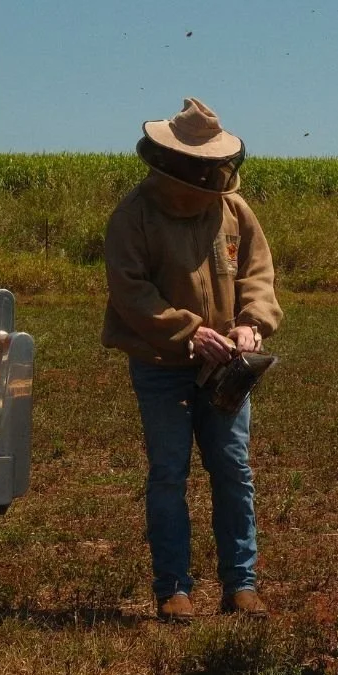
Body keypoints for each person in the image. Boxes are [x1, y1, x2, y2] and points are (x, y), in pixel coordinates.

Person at [102, 98, 282, 622]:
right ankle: (173, 589)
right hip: (161, 366)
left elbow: (258, 274)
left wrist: (251, 323)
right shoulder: (133, 216)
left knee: (232, 467)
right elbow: (130, 293)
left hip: (225, 366)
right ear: (172, 162)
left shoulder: (234, 211)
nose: (212, 174)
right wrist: (190, 331)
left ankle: (241, 585)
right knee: (168, 473)